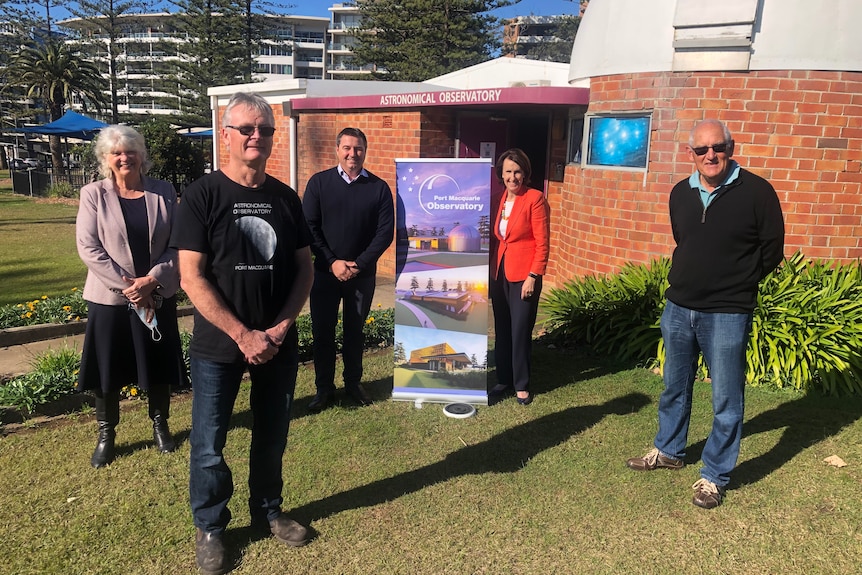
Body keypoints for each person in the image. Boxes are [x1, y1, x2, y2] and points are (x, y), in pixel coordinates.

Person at [171, 92, 314, 575]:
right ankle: (211, 526)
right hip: (218, 346)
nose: (257, 137)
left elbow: (304, 269)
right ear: (226, 135)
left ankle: (268, 510)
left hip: (277, 343)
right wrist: (242, 334)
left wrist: (279, 327)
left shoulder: (285, 198)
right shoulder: (202, 195)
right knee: (209, 442)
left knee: (271, 436)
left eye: (265, 129)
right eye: (247, 129)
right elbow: (191, 276)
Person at [626, 119, 785, 509]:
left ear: (730, 148)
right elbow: (684, 240)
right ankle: (669, 449)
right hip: (679, 307)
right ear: (690, 155)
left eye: (718, 147)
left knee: (726, 396)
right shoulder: (680, 193)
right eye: (702, 150)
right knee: (674, 386)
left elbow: (772, 250)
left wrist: (738, 283)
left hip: (728, 312)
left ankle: (713, 476)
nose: (710, 156)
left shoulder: (757, 192)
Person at [76, 125, 185, 469]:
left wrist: (151, 281)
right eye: (117, 153)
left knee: (157, 364)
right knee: (107, 369)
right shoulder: (93, 194)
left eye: (130, 151)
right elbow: (89, 248)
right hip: (110, 300)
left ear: (141, 155)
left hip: (157, 295)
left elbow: (177, 243)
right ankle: (107, 434)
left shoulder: (164, 191)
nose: (125, 158)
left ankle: (160, 425)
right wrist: (130, 288)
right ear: (107, 159)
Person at [302, 127, 394, 413]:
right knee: (323, 333)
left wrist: (360, 264)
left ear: (365, 151)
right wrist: (332, 261)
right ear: (337, 149)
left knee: (355, 333)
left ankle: (353, 384)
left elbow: (384, 233)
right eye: (347, 148)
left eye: (358, 148)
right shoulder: (318, 184)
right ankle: (324, 389)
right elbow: (309, 228)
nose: (352, 154)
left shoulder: (378, 188)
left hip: (361, 276)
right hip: (325, 275)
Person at [488, 148, 550, 406]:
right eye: (508, 172)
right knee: (502, 329)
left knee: (520, 330)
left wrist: (533, 276)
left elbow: (542, 242)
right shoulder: (499, 198)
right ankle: (504, 379)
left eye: (517, 172)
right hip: (499, 272)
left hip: (524, 275)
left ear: (525, 173)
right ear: (501, 175)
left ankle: (522, 384)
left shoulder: (535, 199)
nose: (512, 177)